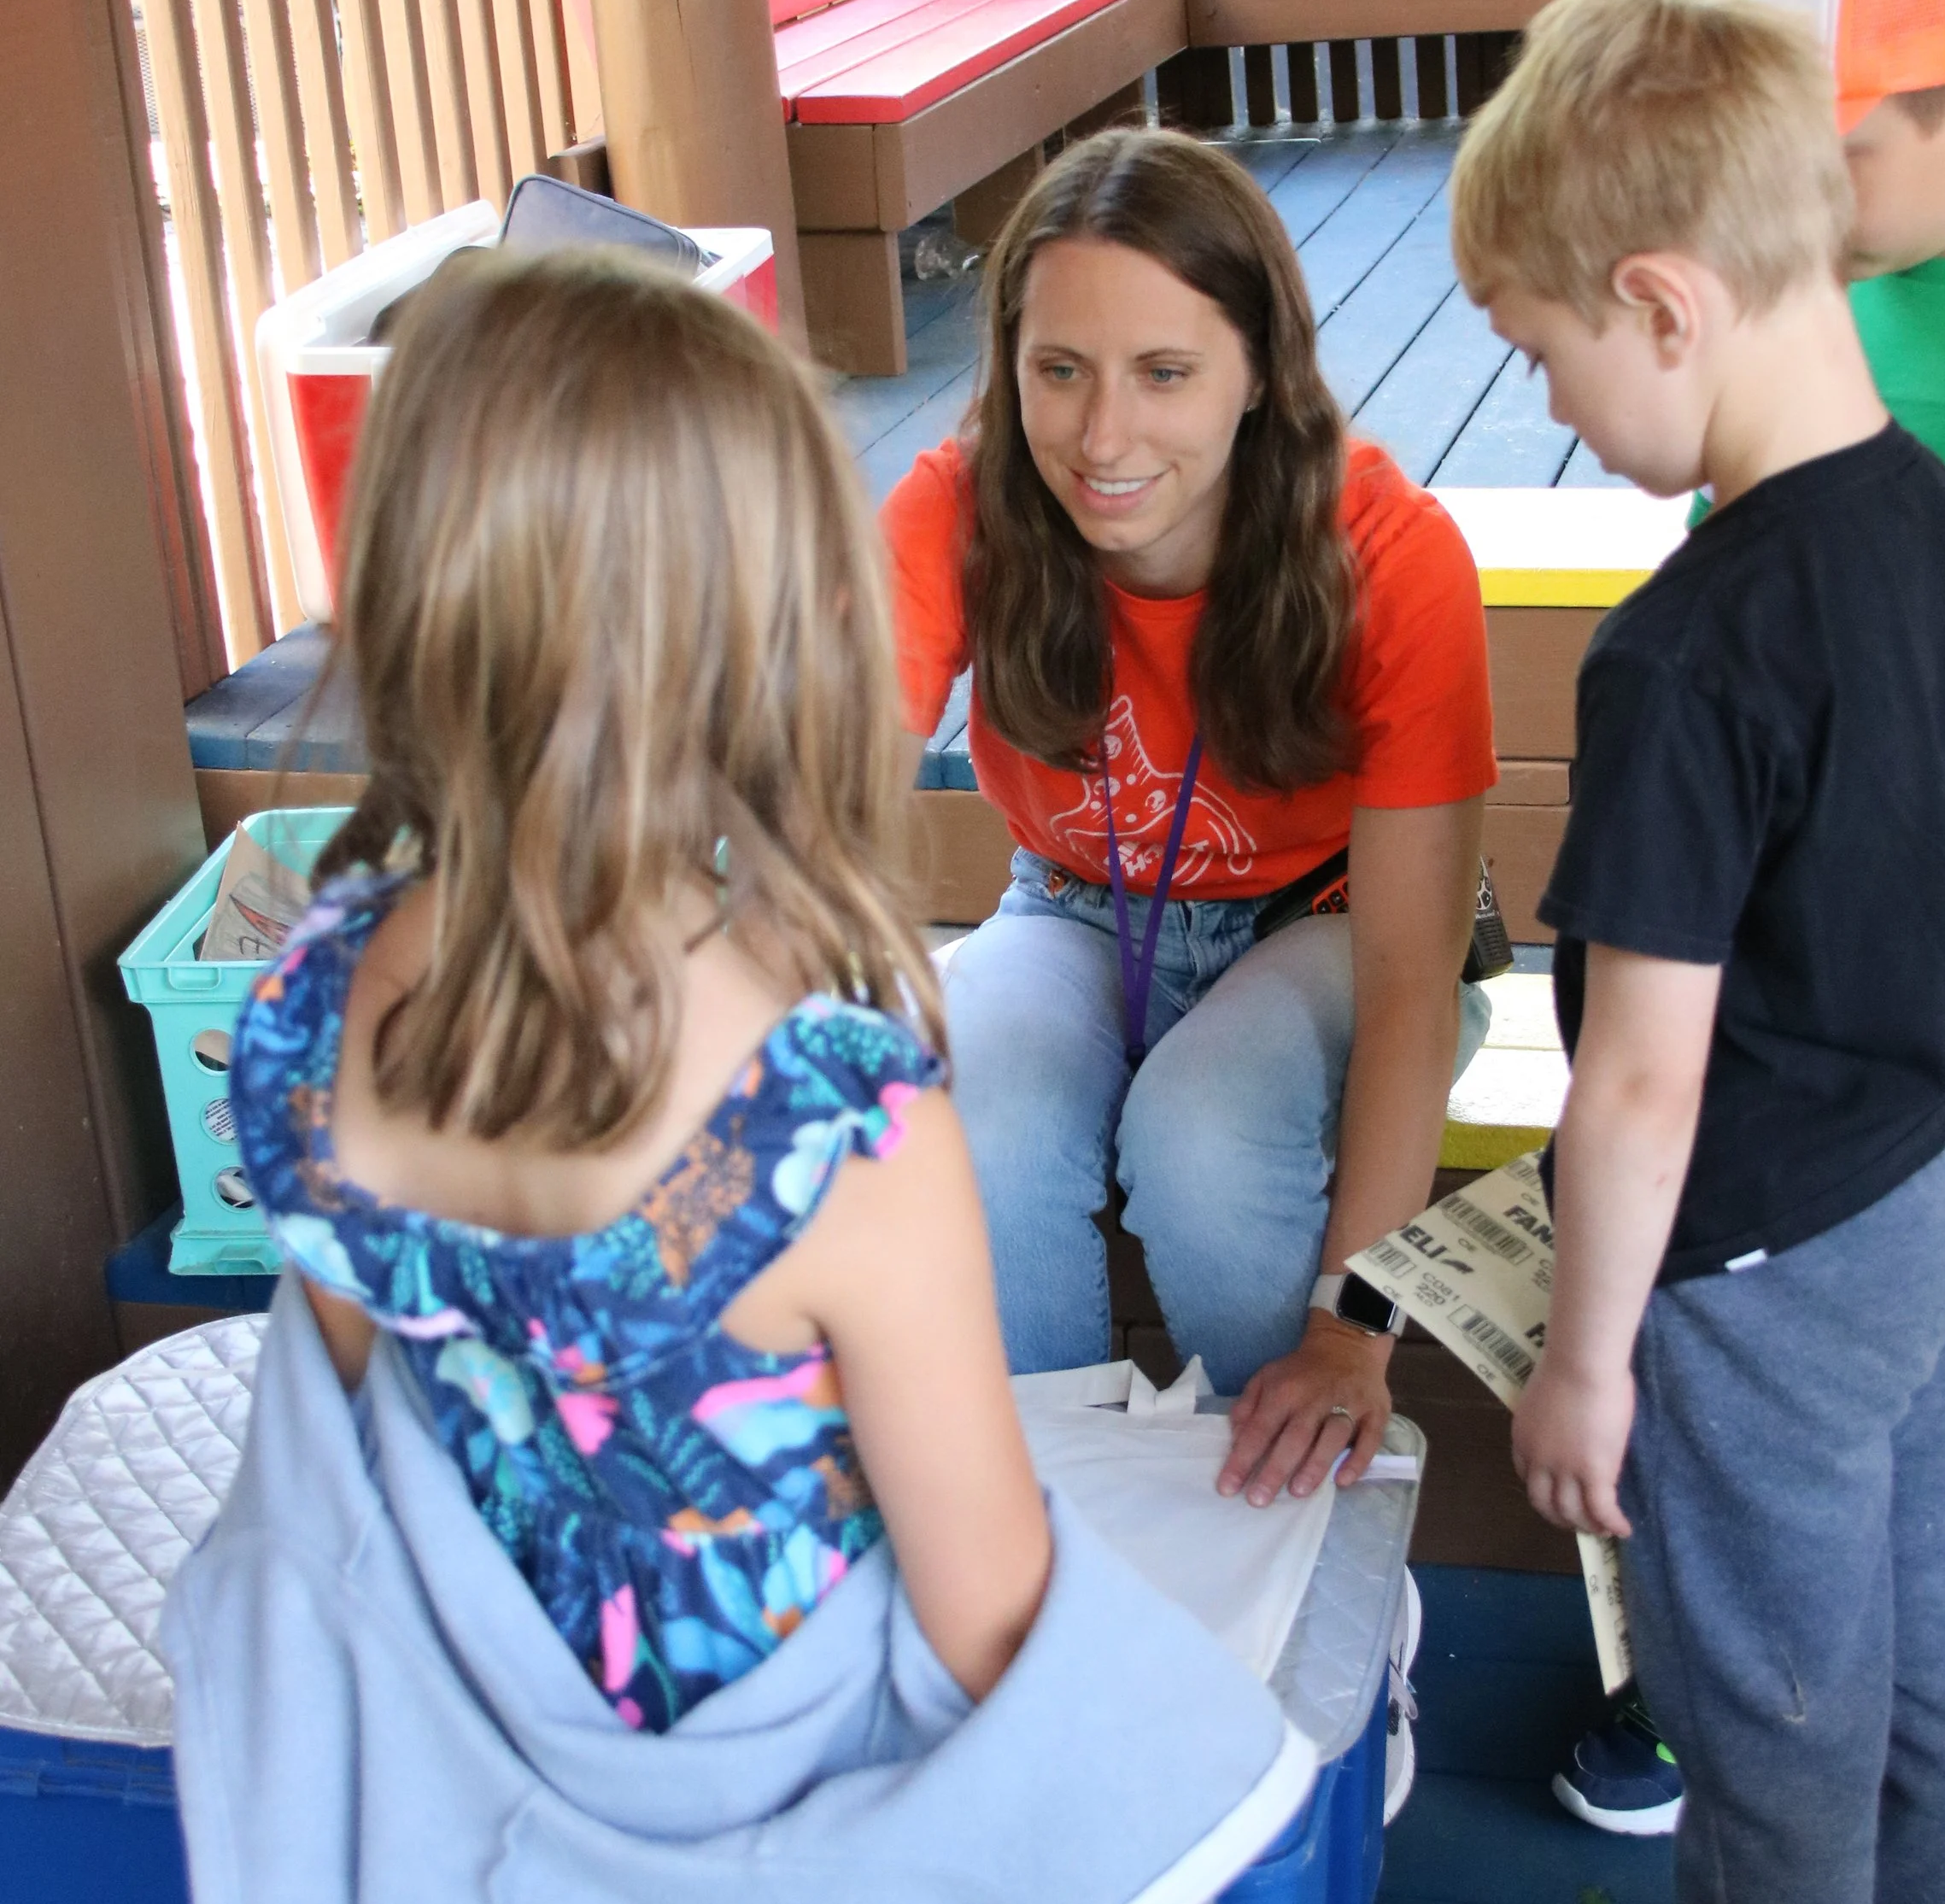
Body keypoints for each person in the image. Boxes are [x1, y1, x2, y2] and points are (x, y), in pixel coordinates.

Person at [172, 255, 1325, 1901]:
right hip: (777, 1766)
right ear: (769, 632)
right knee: (1209, 1756)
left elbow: (378, 1429)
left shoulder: (305, 998)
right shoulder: (831, 1118)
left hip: (485, 1737)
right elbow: (988, 1603)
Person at [1557, 0, 1945, 1897]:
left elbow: (1636, 1072)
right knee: (1892, 1599)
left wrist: (1579, 1349)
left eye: (1821, 144)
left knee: (1815, 1679)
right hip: (1888, 1077)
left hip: (1900, 1121)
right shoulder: (1879, 415)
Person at [1451, 0, 1945, 1904]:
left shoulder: (1685, 654)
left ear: (1659, 302)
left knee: (1775, 1727)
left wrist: (1586, 1359)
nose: (1546, 402)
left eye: (1543, 354)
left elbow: (1637, 1074)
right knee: (1926, 1651)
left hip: (1777, 1263)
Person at [881, 128, 1499, 1507]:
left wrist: (1353, 1330)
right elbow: (809, 793)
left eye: (1165, 373)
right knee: (973, 1091)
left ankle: (1305, 1525)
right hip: (1075, 906)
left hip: (1332, 922)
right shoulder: (957, 509)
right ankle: (1045, 1518)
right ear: (1007, 365)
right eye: (1059, 371)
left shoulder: (1390, 554)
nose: (1103, 438)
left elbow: (1410, 982)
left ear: (1261, 375)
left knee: (1203, 1132)